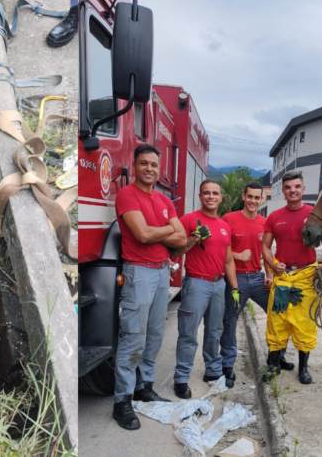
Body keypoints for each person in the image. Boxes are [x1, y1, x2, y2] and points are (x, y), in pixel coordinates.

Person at [112, 144, 187, 430]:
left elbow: (182, 240)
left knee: (154, 334)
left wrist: (166, 233)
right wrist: (169, 230)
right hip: (139, 273)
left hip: (160, 273)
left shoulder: (164, 199)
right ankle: (122, 402)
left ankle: (144, 387)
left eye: (153, 165)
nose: (149, 169)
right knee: (133, 337)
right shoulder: (126, 195)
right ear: (135, 166)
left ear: (159, 169)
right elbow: (142, 235)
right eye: (143, 163)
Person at [170, 179, 240, 399]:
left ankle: (212, 371)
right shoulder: (189, 220)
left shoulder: (224, 226)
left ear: (221, 198)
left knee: (215, 331)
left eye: (215, 193)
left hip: (219, 284)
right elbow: (174, 253)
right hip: (196, 283)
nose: (211, 196)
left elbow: (229, 261)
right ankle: (181, 378)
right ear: (200, 196)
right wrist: (194, 237)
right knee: (188, 333)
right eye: (206, 193)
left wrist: (235, 288)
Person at [261, 171, 322, 384]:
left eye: (297, 186)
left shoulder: (314, 214)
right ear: (283, 191)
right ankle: (273, 366)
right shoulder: (274, 217)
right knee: (277, 322)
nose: (292, 190)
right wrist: (273, 264)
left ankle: (303, 369)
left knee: (305, 324)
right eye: (288, 187)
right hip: (282, 278)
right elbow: (264, 246)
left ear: (303, 189)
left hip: (307, 277)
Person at [220, 182, 294, 388]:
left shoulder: (265, 222)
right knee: (230, 321)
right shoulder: (229, 219)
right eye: (249, 196)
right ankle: (227, 365)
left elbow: (266, 252)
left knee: (280, 314)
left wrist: (269, 274)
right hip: (236, 281)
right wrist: (237, 255)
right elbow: (219, 248)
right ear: (244, 196)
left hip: (258, 279)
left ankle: (278, 357)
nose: (253, 201)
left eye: (257, 197)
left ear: (262, 199)